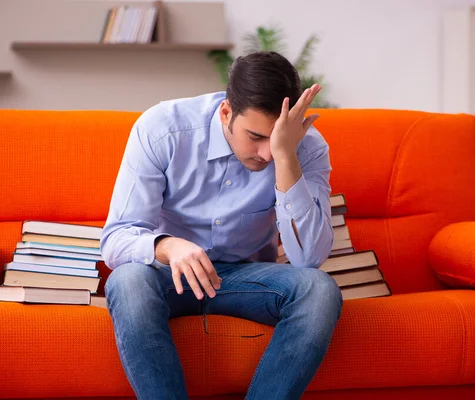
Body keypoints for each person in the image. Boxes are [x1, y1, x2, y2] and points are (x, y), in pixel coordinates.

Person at [101, 51, 343, 400]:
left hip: (246, 280)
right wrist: (168, 246)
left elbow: (309, 259)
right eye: (256, 137)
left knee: (318, 290)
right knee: (127, 281)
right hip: (169, 277)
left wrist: (286, 156)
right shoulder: (162, 129)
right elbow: (116, 237)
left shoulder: (304, 148)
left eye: (274, 140)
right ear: (226, 112)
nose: (264, 154)